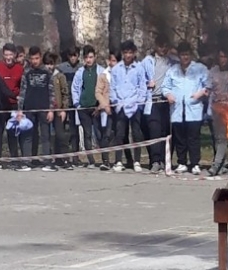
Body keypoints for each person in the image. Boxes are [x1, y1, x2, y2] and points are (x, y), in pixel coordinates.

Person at [162, 41, 208, 174]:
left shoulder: (200, 68)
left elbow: (208, 85)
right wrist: (168, 95)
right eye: (182, 55)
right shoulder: (173, 70)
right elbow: (165, 86)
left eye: (187, 54)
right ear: (179, 56)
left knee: (193, 138)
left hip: (193, 109)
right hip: (177, 109)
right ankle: (181, 162)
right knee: (179, 138)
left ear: (191, 55)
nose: (185, 57)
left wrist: (200, 93)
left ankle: (195, 163)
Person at [110, 39, 148, 172]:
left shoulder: (139, 68)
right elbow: (112, 87)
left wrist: (139, 102)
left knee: (136, 133)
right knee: (120, 134)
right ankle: (119, 161)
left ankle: (137, 161)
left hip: (134, 105)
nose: (128, 55)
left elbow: (142, 86)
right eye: (125, 52)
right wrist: (115, 101)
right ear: (122, 53)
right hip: (121, 105)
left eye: (130, 53)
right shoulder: (116, 69)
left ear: (134, 53)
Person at [16, 46, 56, 170]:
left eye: (37, 58)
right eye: (32, 59)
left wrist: (51, 110)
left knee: (45, 136)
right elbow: (22, 92)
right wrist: (20, 110)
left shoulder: (47, 72)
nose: (34, 61)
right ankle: (27, 161)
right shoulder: (26, 72)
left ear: (40, 57)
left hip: (44, 109)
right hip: (29, 109)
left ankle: (47, 161)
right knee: (28, 135)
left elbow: (52, 92)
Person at [72, 46, 110, 169]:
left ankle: (105, 160)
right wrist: (77, 104)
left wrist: (101, 105)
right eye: (86, 57)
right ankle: (91, 161)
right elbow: (75, 88)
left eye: (91, 57)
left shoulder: (101, 71)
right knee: (87, 134)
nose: (88, 60)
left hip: (97, 108)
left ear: (95, 57)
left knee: (100, 134)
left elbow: (106, 90)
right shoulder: (80, 72)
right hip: (83, 108)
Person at [143, 37, 175, 174]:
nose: (163, 49)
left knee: (166, 132)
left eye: (165, 46)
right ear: (156, 46)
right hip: (153, 101)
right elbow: (139, 79)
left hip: (167, 101)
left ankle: (164, 160)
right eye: (161, 46)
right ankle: (155, 161)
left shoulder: (172, 62)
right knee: (154, 130)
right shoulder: (147, 61)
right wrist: (147, 84)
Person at [44, 51, 75, 168]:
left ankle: (64, 159)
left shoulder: (60, 76)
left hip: (58, 110)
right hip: (46, 110)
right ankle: (49, 158)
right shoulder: (43, 76)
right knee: (47, 136)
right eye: (47, 64)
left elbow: (65, 93)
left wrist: (64, 109)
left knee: (60, 135)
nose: (49, 66)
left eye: (51, 64)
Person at [0, 42, 24, 159]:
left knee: (13, 132)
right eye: (6, 55)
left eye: (10, 55)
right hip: (0, 104)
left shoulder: (20, 68)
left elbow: (22, 86)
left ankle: (14, 158)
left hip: (14, 105)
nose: (8, 58)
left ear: (15, 55)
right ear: (3, 55)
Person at [207, 47, 228, 176]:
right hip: (216, 106)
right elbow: (209, 89)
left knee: (223, 138)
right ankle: (223, 164)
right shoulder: (213, 71)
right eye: (220, 56)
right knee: (218, 138)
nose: (222, 59)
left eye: (225, 56)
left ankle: (216, 165)